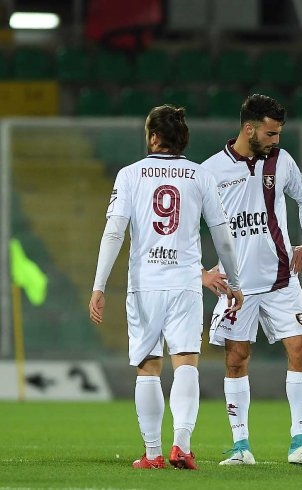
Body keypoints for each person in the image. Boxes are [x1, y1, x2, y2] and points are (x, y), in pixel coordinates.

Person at [89, 105, 244, 470]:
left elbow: (114, 232)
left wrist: (99, 285)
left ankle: (154, 454)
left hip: (144, 284)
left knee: (148, 367)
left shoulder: (130, 175)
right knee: (187, 361)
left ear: (154, 137)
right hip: (186, 282)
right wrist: (234, 282)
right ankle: (183, 447)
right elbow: (222, 235)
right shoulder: (200, 176)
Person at [202, 94, 302, 465]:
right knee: (236, 359)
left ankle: (301, 442)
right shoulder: (210, 170)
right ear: (250, 128)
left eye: (278, 133)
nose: (276, 140)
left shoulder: (282, 161)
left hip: (281, 279)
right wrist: (199, 271)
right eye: (271, 132)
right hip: (237, 287)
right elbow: (182, 225)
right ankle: (241, 446)